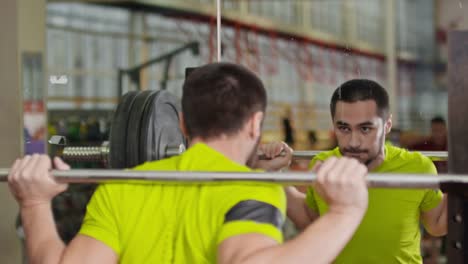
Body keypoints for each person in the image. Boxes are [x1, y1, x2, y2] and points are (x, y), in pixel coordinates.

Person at [8, 63, 369, 264]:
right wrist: (345, 212)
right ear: (255, 124)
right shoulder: (254, 191)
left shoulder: (120, 185)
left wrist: (34, 202)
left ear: (180, 124)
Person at [286, 79, 447, 264]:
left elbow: (437, 225)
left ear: (387, 125)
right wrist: (269, 173)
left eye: (365, 128)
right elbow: (310, 219)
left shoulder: (418, 168)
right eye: (344, 128)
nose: (353, 142)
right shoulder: (325, 164)